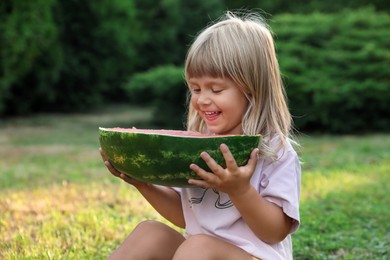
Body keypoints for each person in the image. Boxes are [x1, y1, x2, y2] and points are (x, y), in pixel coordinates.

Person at [100, 10, 301, 260]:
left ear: (252, 90)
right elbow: (185, 216)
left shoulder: (275, 150)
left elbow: (275, 232)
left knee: (198, 246)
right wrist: (142, 183)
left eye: (216, 89)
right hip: (197, 253)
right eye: (195, 88)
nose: (203, 99)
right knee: (149, 232)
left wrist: (240, 190)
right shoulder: (198, 145)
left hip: (254, 256)